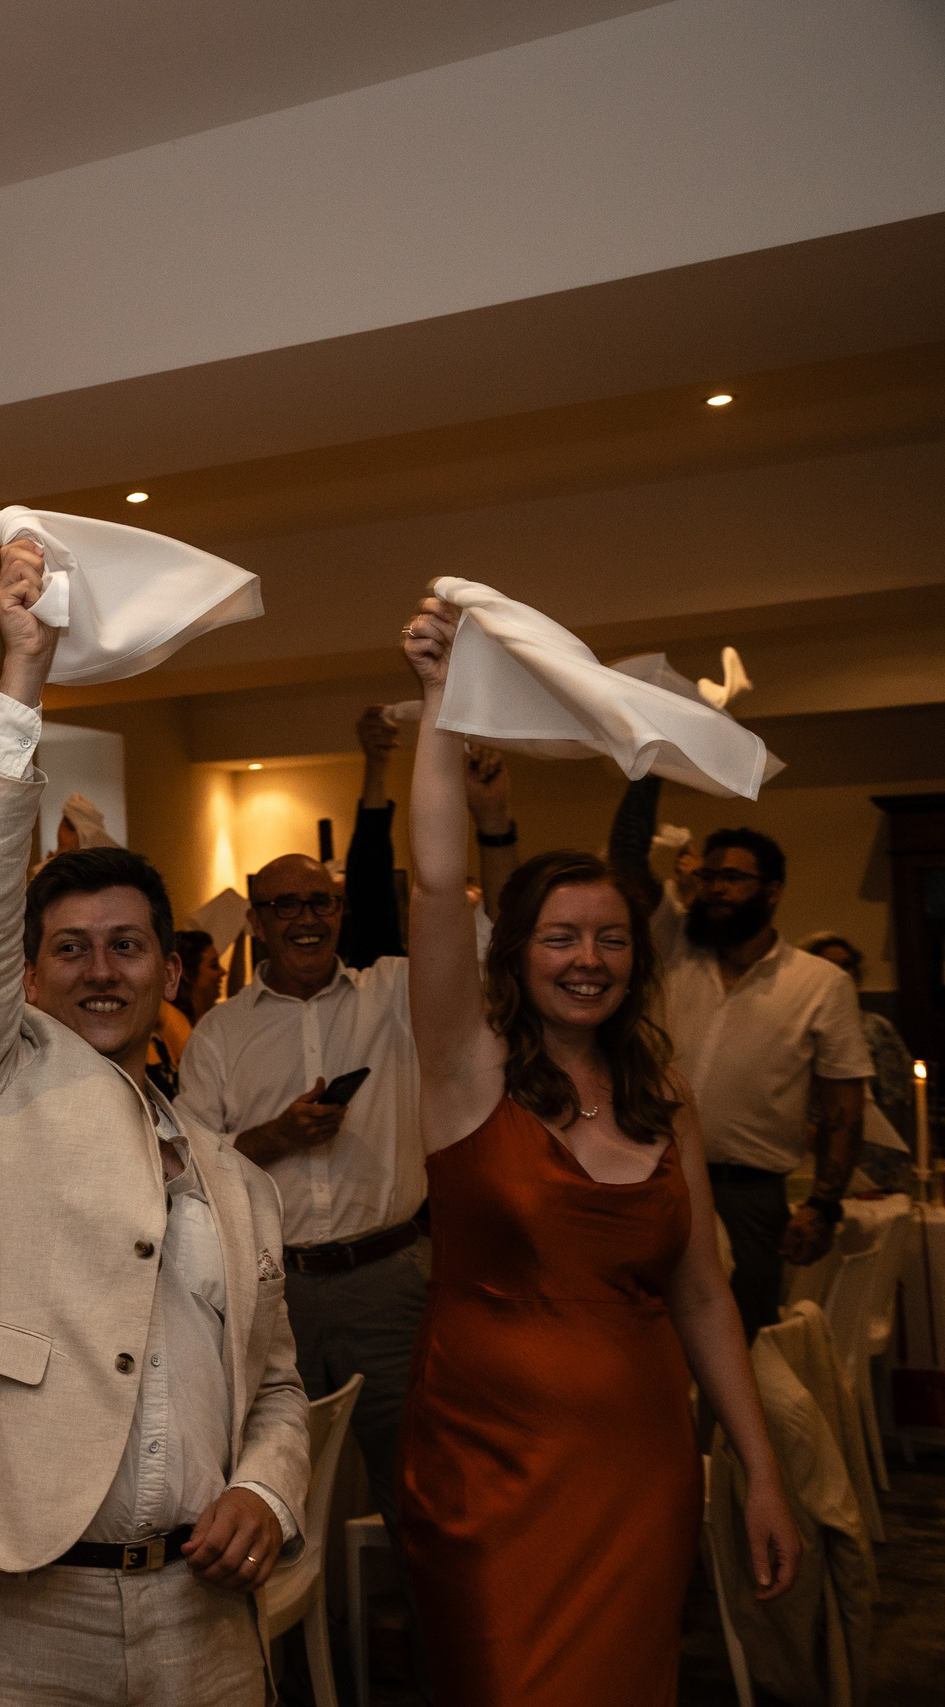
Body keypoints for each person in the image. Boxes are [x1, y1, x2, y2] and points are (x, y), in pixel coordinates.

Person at [0, 537, 307, 1706]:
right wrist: (22, 682)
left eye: (126, 946)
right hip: (16, 1614)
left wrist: (268, 1486)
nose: (101, 970)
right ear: (31, 975)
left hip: (201, 1621)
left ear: (167, 969)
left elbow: (276, 1388)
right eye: (70, 949)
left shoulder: (230, 1174)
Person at [394, 598, 797, 1704]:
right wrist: (438, 701)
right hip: (487, 1467)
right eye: (561, 938)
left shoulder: (663, 1098)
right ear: (517, 954)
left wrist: (756, 1470)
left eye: (610, 938)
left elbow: (705, 1298)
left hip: (640, 1465)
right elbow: (435, 885)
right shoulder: (463, 1070)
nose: (587, 959)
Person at [173, 717, 514, 1534]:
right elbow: (191, 1167)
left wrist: (492, 824)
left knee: (420, 1482)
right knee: (264, 1490)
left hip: (388, 1283)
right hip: (267, 1288)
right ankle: (292, 1649)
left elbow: (501, 941)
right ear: (257, 921)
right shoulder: (220, 1032)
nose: (304, 917)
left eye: (319, 902)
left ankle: (424, 1647)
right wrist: (276, 1137)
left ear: (341, 911)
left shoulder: (396, 994)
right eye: (283, 904)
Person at [606, 792, 872, 1337]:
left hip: (747, 1196)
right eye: (707, 877)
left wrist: (824, 1205)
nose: (714, 889)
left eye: (731, 879)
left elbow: (843, 1105)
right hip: (650, 1177)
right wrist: (649, 764)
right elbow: (627, 860)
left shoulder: (820, 984)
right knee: (637, 1334)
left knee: (742, 1344)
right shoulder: (673, 940)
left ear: (772, 893)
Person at [799, 931, 919, 1195]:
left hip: (868, 1158)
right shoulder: (795, 1029)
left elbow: (894, 1103)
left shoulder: (875, 1028)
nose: (840, 974)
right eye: (828, 965)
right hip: (801, 1158)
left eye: (846, 965)